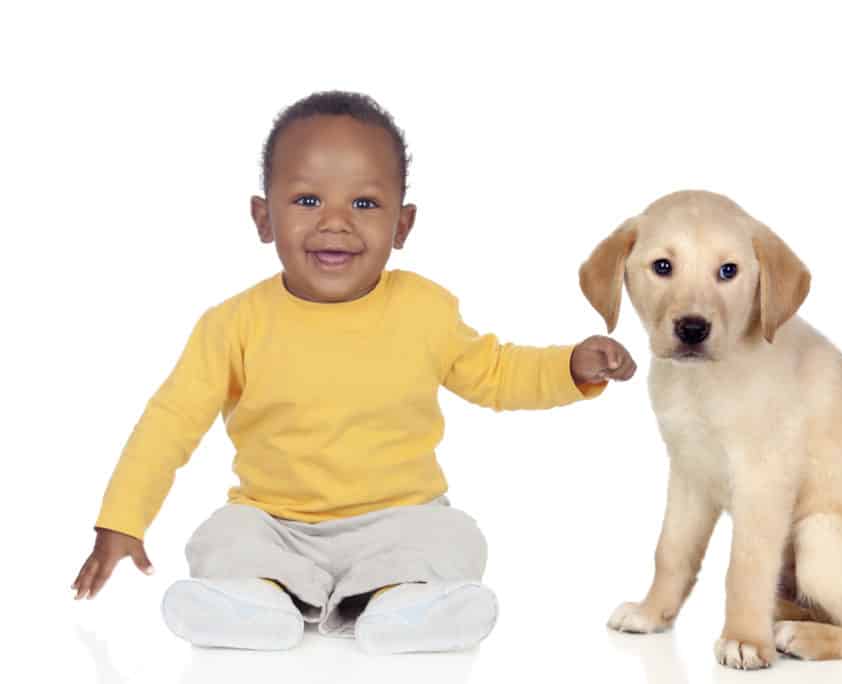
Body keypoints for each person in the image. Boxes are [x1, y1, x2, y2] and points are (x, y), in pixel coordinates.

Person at [71, 91, 636, 654]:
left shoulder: (424, 309)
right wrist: (122, 518)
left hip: (399, 521)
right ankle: (254, 601)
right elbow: (169, 424)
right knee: (222, 537)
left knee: (455, 536)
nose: (336, 223)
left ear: (402, 225)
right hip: (275, 523)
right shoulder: (233, 324)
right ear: (263, 218)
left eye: (364, 204)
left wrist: (569, 366)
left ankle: (403, 605)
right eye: (308, 199)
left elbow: (497, 373)